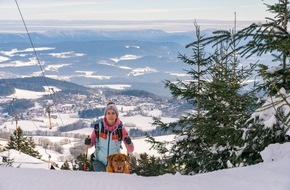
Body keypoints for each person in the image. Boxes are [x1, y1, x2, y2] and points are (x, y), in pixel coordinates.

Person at [88, 102, 134, 172]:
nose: (111, 115)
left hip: (115, 164)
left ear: (116, 115)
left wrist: (129, 142)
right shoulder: (98, 127)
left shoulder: (120, 129)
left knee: (113, 182)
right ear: (105, 115)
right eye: (108, 113)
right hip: (99, 161)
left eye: (113, 113)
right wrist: (88, 142)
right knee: (101, 180)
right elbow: (90, 145)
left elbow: (130, 149)